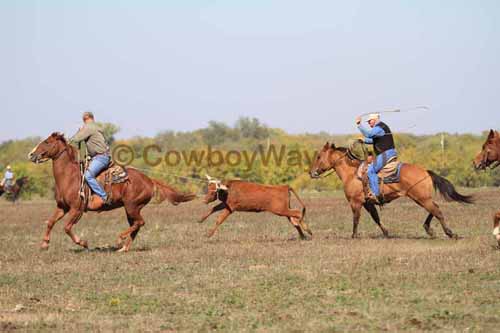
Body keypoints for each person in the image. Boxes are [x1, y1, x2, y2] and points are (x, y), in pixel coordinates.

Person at [70, 112, 111, 209]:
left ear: (85, 119)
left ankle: (104, 196)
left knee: (88, 176)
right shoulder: (96, 127)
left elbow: (76, 139)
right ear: (93, 118)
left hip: (100, 157)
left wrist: (79, 132)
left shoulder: (89, 127)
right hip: (100, 156)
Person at [355, 113, 397, 204]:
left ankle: (376, 194)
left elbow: (369, 134)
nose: (369, 123)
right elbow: (373, 140)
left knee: (370, 170)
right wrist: (364, 140)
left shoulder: (379, 128)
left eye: (369, 121)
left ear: (374, 120)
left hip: (386, 154)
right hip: (388, 152)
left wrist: (359, 125)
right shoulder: (381, 128)